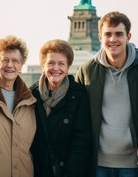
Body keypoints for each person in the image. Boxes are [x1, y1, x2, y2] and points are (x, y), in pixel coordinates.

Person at [75, 11, 138, 177]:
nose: (113, 40)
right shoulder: (87, 70)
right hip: (98, 164)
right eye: (108, 34)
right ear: (100, 37)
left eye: (119, 34)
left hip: (135, 163)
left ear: (128, 36)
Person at [30, 39, 92, 177]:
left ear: (68, 68)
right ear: (43, 66)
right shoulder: (31, 95)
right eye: (51, 63)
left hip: (68, 170)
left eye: (61, 63)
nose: (56, 68)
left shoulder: (79, 94)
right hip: (37, 170)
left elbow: (82, 141)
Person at [0, 35, 36, 177]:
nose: (10, 65)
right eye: (5, 60)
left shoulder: (32, 103)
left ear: (21, 65)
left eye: (15, 61)